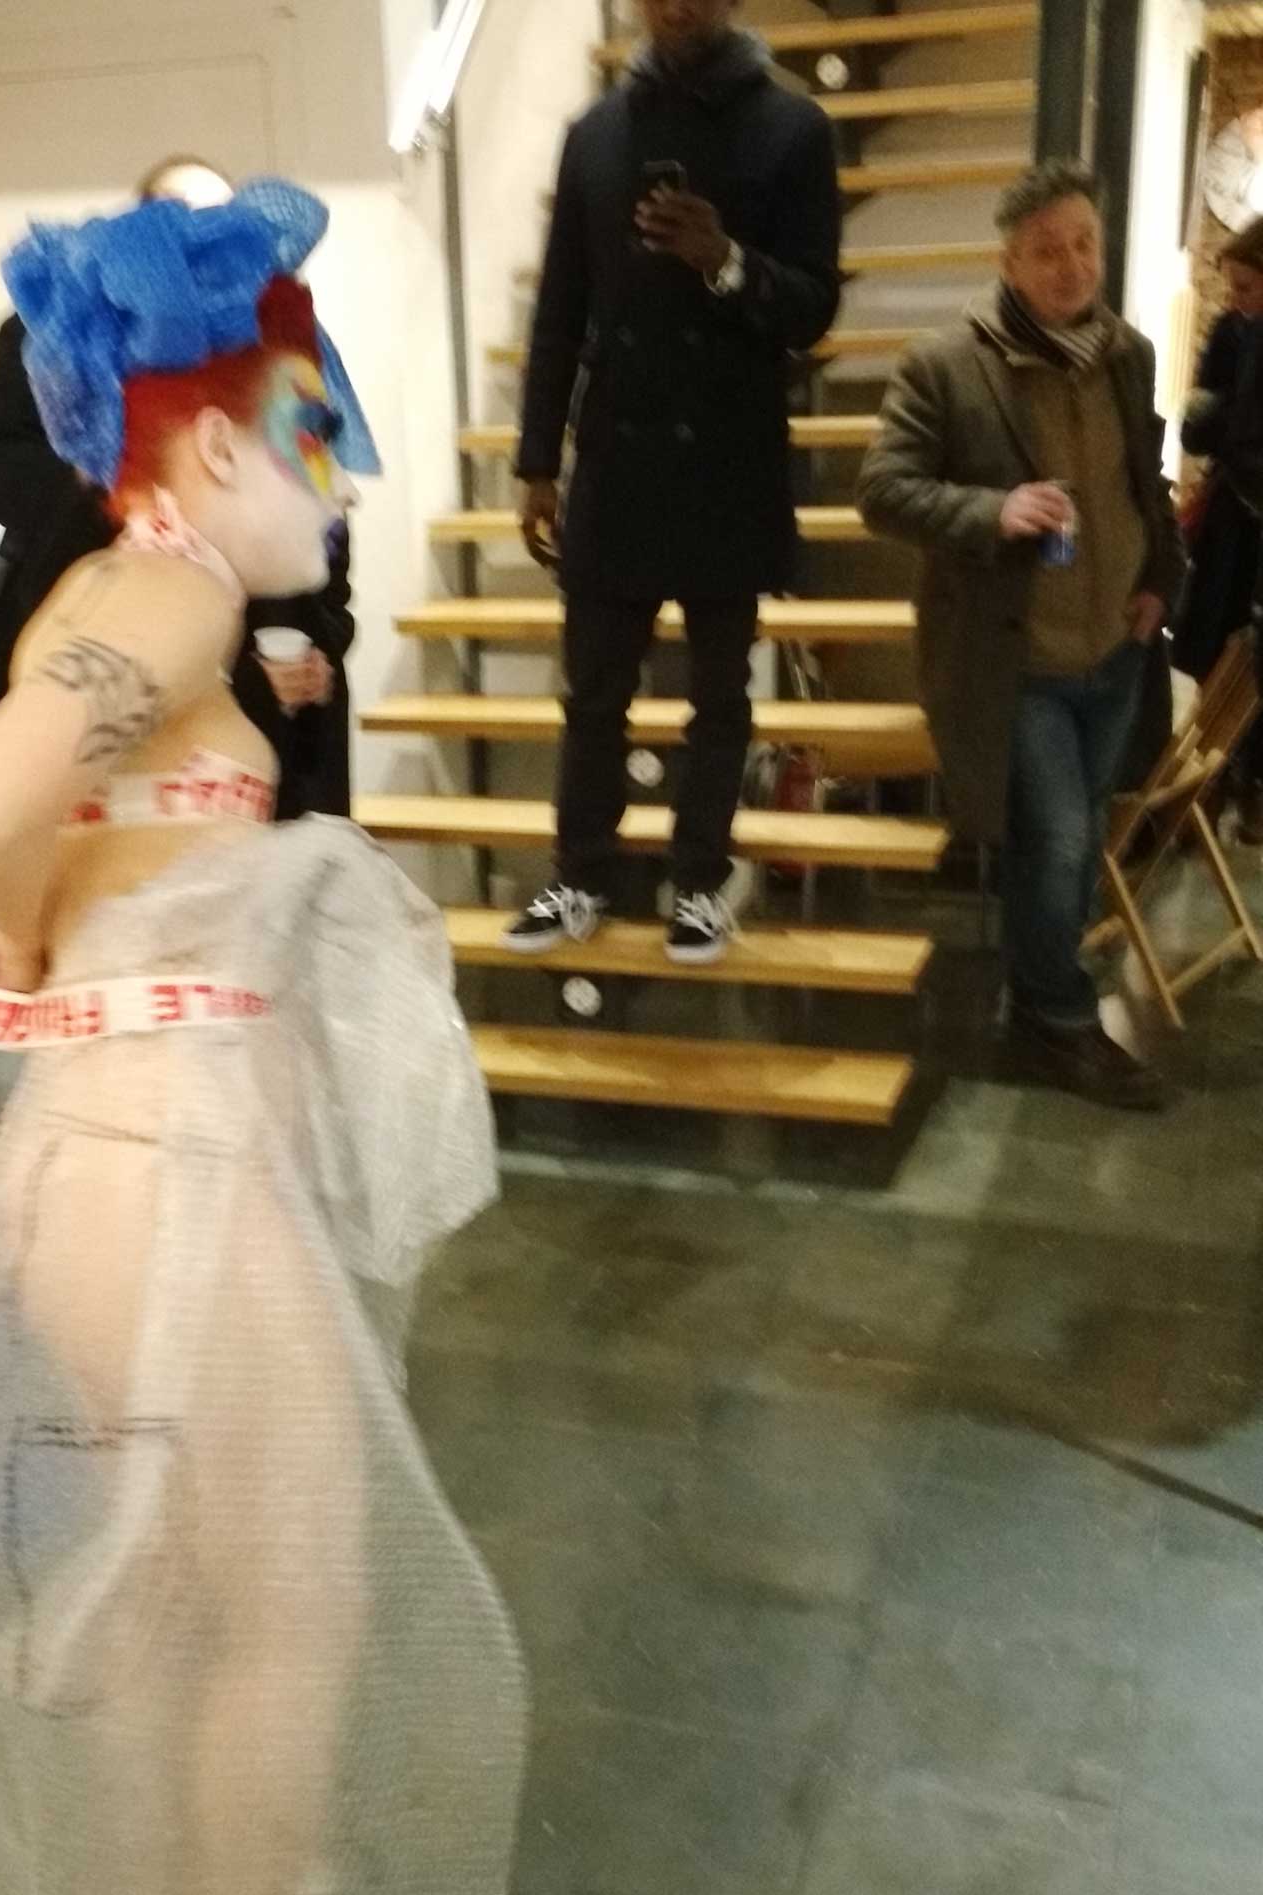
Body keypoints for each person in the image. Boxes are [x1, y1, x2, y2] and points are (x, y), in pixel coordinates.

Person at [0, 180, 524, 1895]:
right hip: (157, 1162)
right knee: (298, 1593)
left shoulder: (139, 595)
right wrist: (13, 920)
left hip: (141, 1148)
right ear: (201, 443)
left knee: (206, 1591)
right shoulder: (167, 592)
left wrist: (37, 925)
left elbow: (43, 819)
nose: (340, 467)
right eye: (314, 422)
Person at [504, 0, 841, 965]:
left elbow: (814, 307)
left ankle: (698, 884)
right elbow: (559, 306)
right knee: (594, 692)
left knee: (720, 697)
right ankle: (581, 873)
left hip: (729, 454)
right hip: (617, 454)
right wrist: (537, 460)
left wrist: (725, 261)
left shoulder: (793, 128)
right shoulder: (595, 135)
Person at [858, 159, 1184, 1109]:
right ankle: (1057, 1019)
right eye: (1048, 250)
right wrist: (991, 510)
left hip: (1114, 648)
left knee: (1076, 842)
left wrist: (1160, 580)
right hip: (1017, 661)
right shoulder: (945, 365)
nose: (1072, 264)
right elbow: (882, 490)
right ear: (1008, 262)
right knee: (1060, 837)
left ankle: (1039, 988)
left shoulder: (1126, 352)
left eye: (1085, 243)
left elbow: (1144, 482)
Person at [0, 154, 357, 817]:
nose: (209, 242)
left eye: (224, 224)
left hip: (263, 674)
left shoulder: (270, 340)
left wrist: (321, 640)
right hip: (114, 602)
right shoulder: (57, 334)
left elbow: (309, 481)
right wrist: (127, 481)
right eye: (183, 222)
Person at [1173, 214, 1263, 842]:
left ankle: (1253, 790)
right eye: (1230, 287)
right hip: (1234, 509)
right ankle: (1194, 789)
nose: (1233, 299)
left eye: (1246, 287)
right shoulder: (1233, 331)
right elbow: (1198, 427)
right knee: (1205, 645)